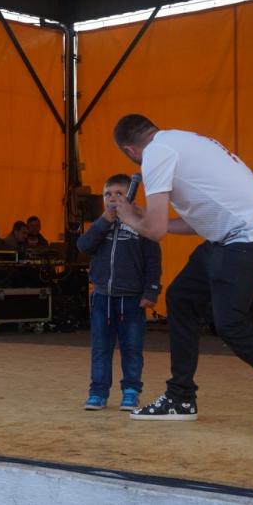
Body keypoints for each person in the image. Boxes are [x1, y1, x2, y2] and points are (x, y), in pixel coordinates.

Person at [112, 114, 253, 436]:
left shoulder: (155, 153)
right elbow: (195, 221)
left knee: (232, 325)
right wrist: (145, 218)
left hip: (245, 235)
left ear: (129, 151)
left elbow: (154, 231)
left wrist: (129, 217)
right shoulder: (182, 141)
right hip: (231, 233)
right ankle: (180, 398)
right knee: (181, 297)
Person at [77, 174, 162, 411]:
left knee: (132, 347)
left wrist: (151, 291)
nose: (112, 198)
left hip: (132, 298)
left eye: (119, 194)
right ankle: (98, 392)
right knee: (101, 347)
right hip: (102, 297)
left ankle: (131, 392)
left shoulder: (141, 224)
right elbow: (83, 246)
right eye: (107, 194)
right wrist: (104, 221)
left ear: (131, 198)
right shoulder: (100, 224)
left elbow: (153, 261)